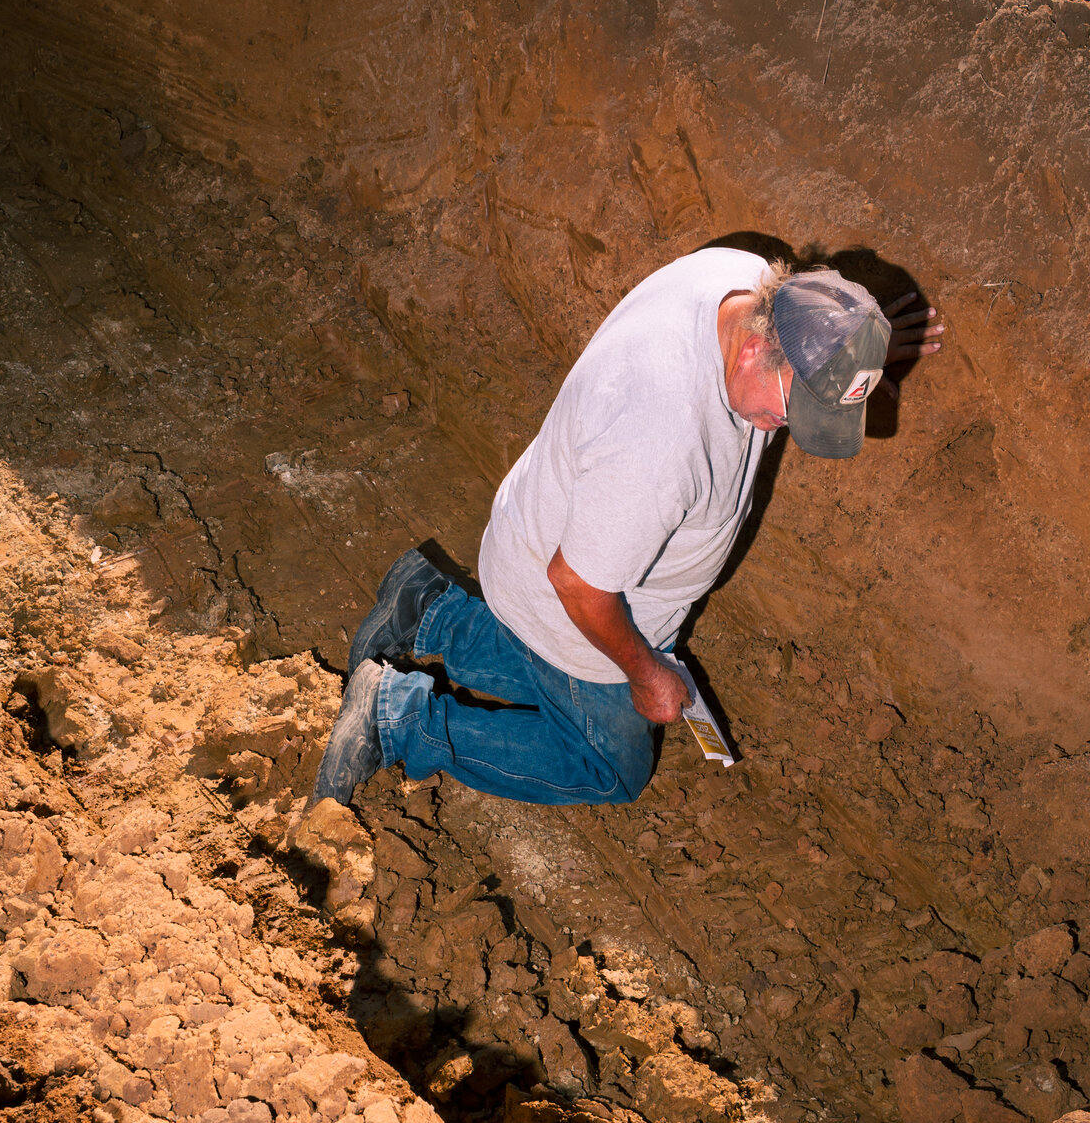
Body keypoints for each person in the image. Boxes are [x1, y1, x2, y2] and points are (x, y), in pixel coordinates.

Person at [312, 249, 943, 807]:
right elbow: (581, 587)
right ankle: (394, 720)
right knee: (607, 766)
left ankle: (428, 610)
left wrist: (854, 355)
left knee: (550, 670)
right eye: (794, 407)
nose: (788, 427)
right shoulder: (659, 444)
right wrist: (647, 673)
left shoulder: (745, 284)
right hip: (573, 596)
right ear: (757, 347)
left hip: (556, 525)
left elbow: (804, 343)